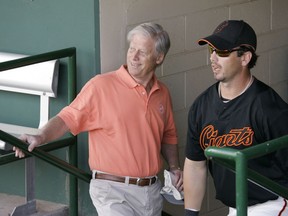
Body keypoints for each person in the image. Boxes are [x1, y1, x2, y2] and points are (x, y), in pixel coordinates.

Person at [14, 22, 183, 216]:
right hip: (112, 191)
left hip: (151, 192)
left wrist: (174, 167)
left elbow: (168, 135)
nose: (134, 57)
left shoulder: (162, 93)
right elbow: (67, 117)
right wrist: (40, 136)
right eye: (131, 49)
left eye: (142, 52)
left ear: (159, 57)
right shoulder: (101, 86)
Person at [183, 20, 288, 216]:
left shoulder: (268, 107)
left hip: (273, 204)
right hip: (236, 208)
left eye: (222, 52)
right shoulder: (201, 106)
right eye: (211, 51)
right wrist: (191, 213)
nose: (213, 58)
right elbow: (195, 164)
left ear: (245, 58)